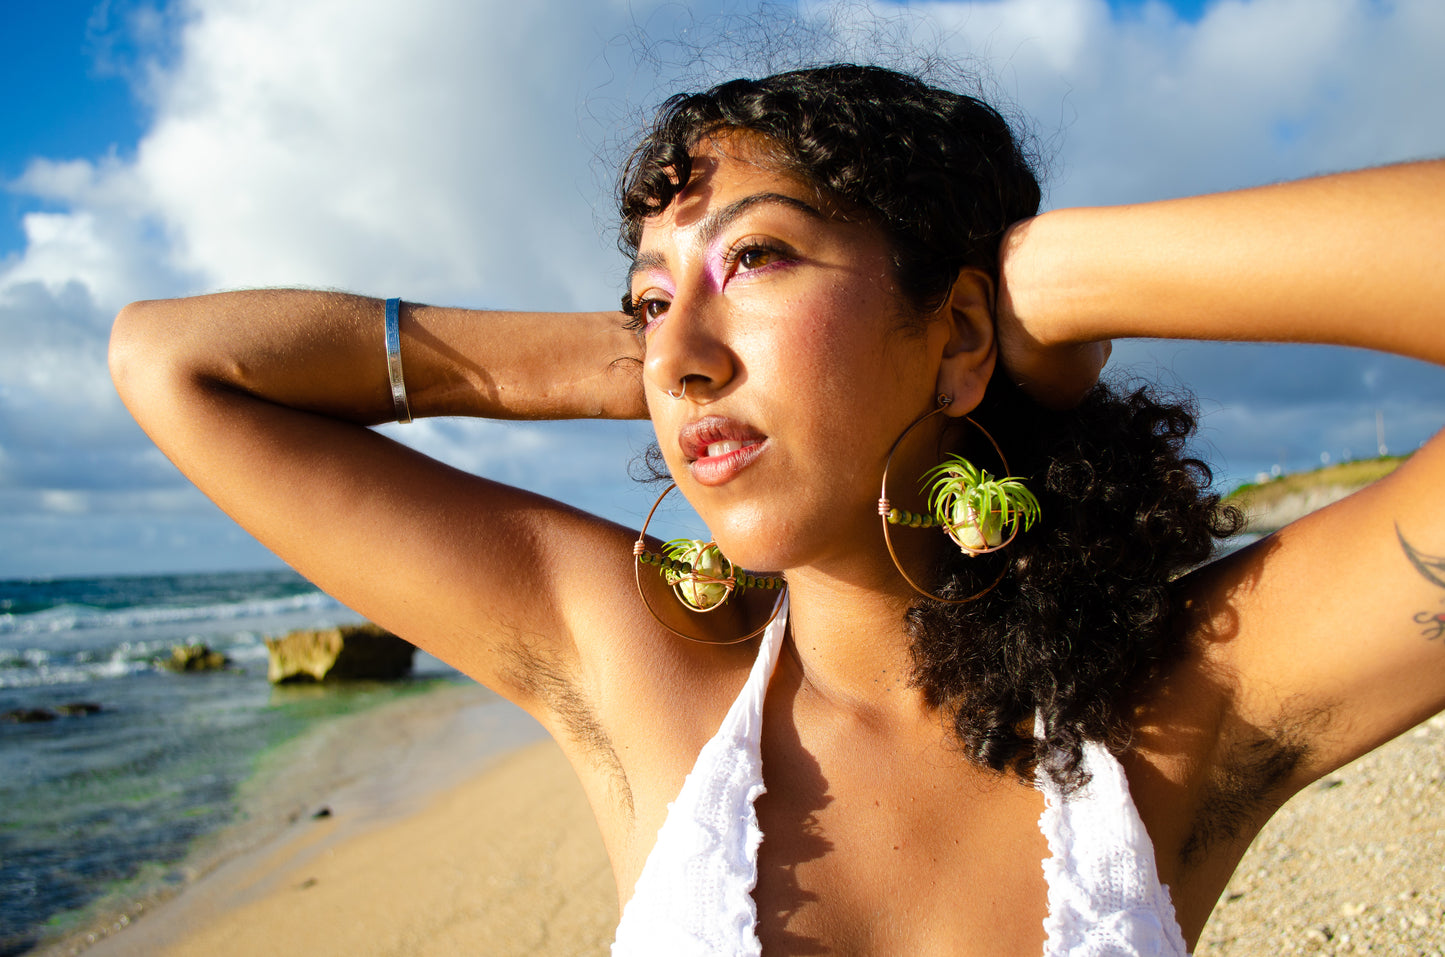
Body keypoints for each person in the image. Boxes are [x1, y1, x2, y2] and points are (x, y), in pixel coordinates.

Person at [109, 65, 1444, 955]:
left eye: (755, 254)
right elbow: (172, 361)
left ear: (960, 327)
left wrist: (1054, 279)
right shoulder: (634, 662)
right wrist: (627, 359)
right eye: (649, 294)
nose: (679, 346)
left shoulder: (1176, 706)